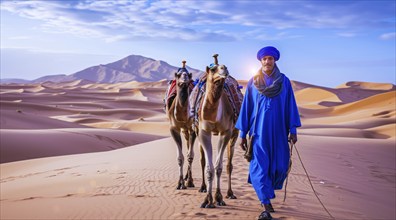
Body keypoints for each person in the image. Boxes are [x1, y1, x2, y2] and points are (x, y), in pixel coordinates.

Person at [236, 46, 301, 220]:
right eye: (264, 59)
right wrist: (242, 133)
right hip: (259, 133)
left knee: (279, 166)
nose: (267, 61)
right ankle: (264, 203)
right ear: (260, 61)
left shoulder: (284, 82)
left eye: (270, 59)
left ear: (275, 61)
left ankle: (267, 195)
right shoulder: (253, 82)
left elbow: (290, 106)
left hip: (279, 132)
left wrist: (293, 130)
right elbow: (247, 107)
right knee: (259, 167)